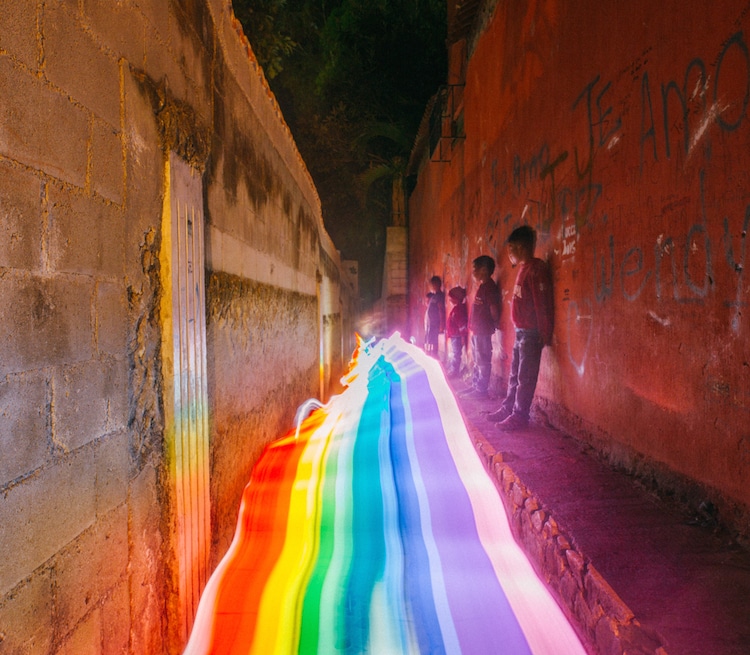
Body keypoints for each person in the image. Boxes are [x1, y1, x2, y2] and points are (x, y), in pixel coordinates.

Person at [488, 225, 554, 430]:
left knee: (525, 376)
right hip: (520, 333)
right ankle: (509, 407)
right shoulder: (523, 269)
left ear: (521, 247)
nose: (509, 255)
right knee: (515, 374)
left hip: (531, 334)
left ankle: (520, 415)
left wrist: (544, 332)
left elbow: (542, 304)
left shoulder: (536, 269)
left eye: (511, 249)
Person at [461, 255, 501, 398]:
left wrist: (496, 322)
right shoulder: (483, 286)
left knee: (483, 360)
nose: (473, 273)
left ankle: (481, 391)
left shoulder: (489, 287)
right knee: (478, 360)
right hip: (477, 330)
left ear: (484, 270)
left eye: (475, 269)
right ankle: (476, 386)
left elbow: (493, 308)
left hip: (483, 330)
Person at [445, 286, 468, 378]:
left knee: (456, 354)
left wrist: (462, 337)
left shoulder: (458, 310)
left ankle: (454, 372)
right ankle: (454, 371)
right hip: (454, 336)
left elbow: (462, 325)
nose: (450, 300)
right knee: (455, 353)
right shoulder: (457, 308)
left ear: (456, 298)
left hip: (457, 336)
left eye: (451, 298)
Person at [424, 275, 445, 358]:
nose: (431, 287)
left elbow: (440, 310)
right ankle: (431, 355)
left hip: (435, 323)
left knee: (434, 341)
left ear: (436, 284)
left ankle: (434, 356)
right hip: (431, 324)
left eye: (432, 285)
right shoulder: (433, 296)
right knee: (430, 341)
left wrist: (441, 324)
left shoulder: (439, 296)